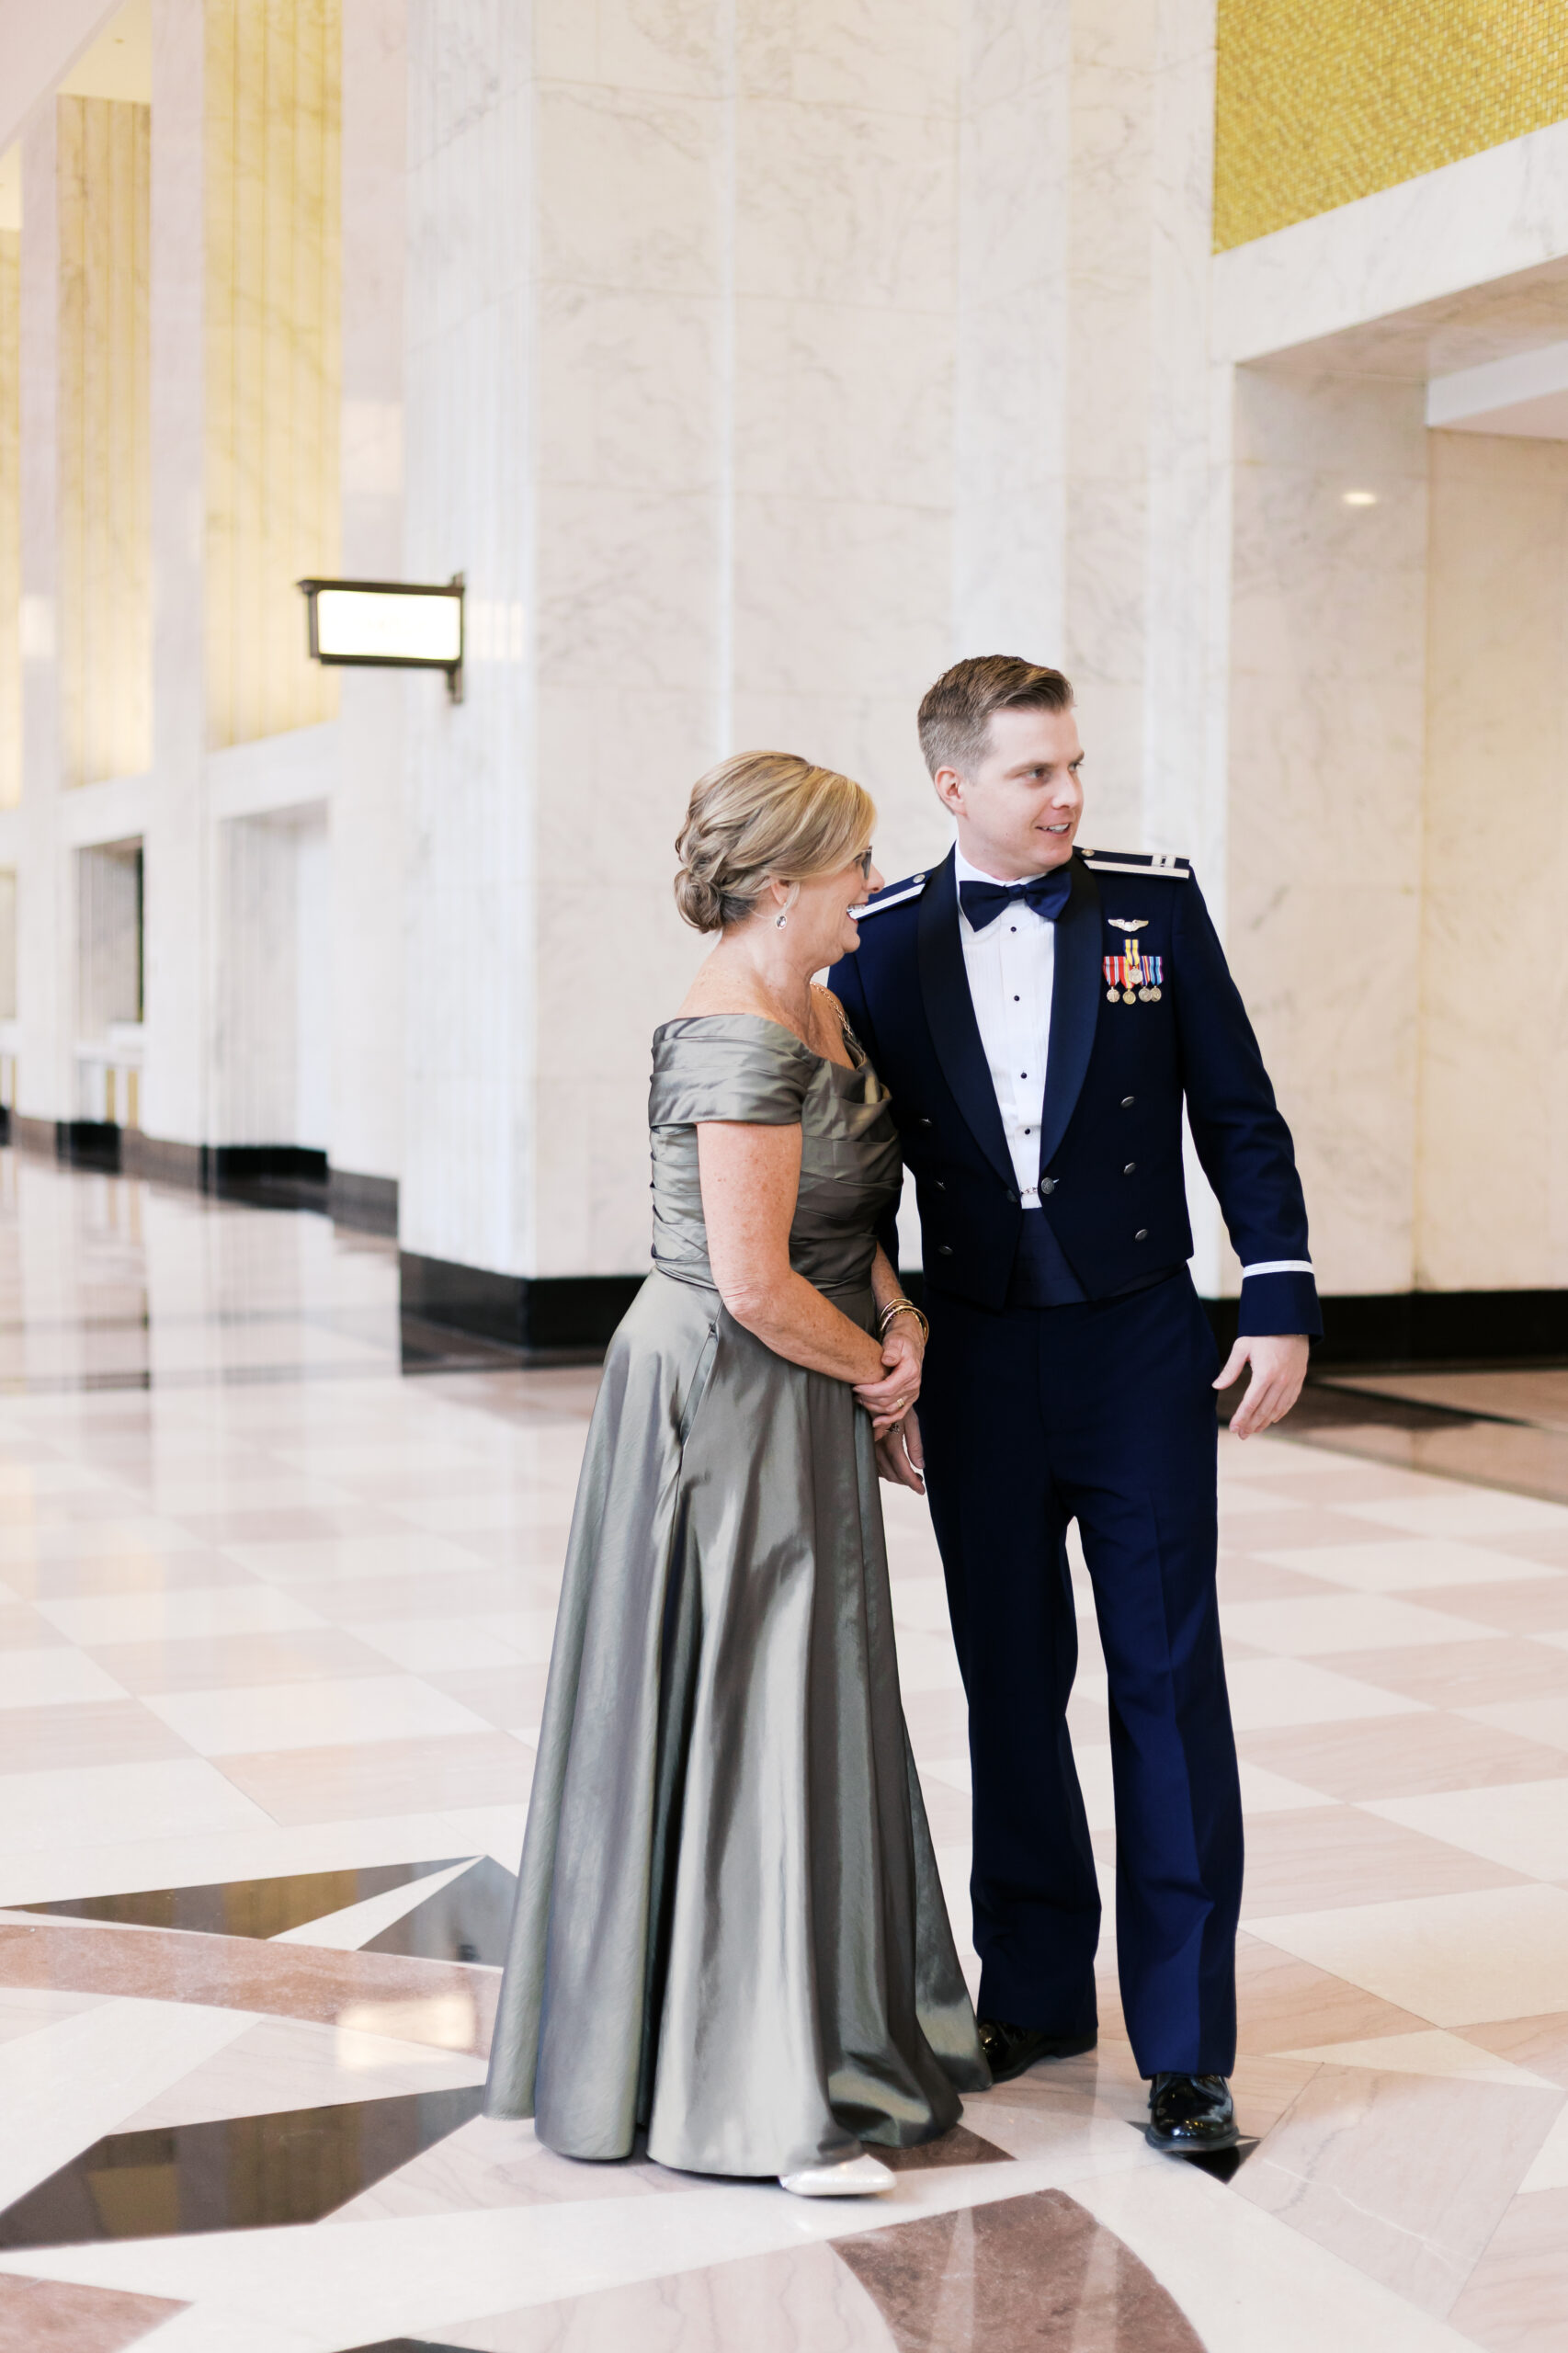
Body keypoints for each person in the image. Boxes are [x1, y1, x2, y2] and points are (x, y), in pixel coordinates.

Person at [828, 656, 1319, 2156]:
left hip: (1135, 1351)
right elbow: (850, 1179)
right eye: (1036, 774)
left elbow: (1238, 1116)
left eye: (1075, 767)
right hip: (972, 1359)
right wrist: (882, 1355)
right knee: (1006, 1679)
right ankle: (1034, 1990)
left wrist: (1279, 1296)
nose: (1069, 798)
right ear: (952, 785)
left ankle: (1183, 2044)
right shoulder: (879, 946)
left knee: (1169, 1688)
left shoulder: (1150, 911)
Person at [485, 750, 988, 2196]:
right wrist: (877, 1368)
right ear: (780, 888)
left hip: (808, 1369)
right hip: (726, 1388)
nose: (873, 888)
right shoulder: (728, 1034)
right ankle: (759, 2097)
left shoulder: (819, 1005)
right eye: (853, 869)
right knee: (752, 1709)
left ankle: (821, 2030)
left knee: (807, 1700)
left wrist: (894, 1317)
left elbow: (839, 1225)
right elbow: (755, 1281)